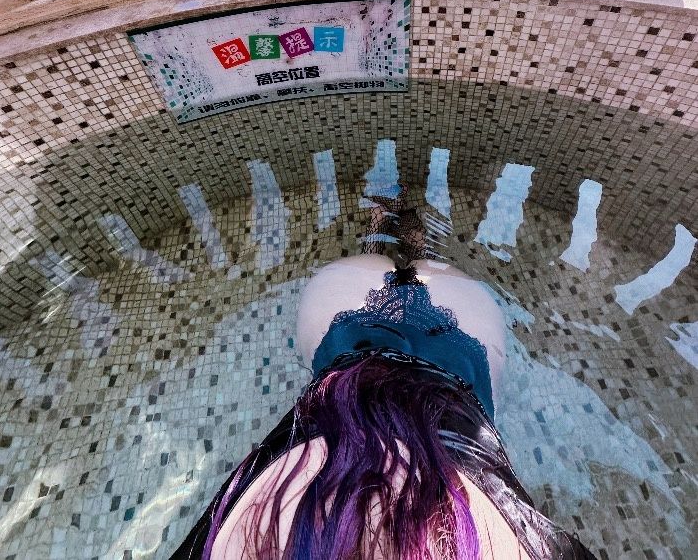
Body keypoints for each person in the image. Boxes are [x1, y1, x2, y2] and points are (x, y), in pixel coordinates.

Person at [171, 192, 598, 559]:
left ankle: (392, 233)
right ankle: (405, 237)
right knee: (413, 271)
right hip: (431, 365)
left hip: (390, 359)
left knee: (388, 268)